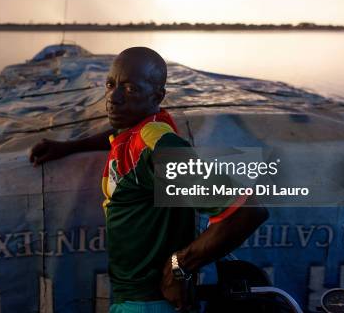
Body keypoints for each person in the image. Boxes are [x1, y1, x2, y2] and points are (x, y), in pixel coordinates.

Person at [29, 47, 268, 312]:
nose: (113, 98)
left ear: (157, 96)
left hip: (149, 303)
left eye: (130, 89)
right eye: (110, 85)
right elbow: (121, 131)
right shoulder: (143, 127)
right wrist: (68, 148)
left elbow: (246, 211)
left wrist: (179, 266)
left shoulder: (158, 144)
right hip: (132, 298)